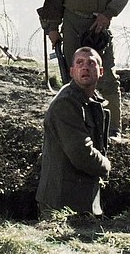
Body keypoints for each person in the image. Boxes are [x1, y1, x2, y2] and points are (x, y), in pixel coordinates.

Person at [38, 0, 130, 139]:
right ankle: (77, 127)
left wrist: (108, 14)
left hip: (99, 25)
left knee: (106, 76)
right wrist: (53, 27)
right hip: (72, 23)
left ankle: (113, 129)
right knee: (74, 76)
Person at [36, 47, 111, 216]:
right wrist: (106, 166)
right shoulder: (66, 103)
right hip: (61, 205)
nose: (85, 67)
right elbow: (81, 153)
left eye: (91, 63)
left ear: (101, 71)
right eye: (79, 63)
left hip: (81, 200)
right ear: (71, 71)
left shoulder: (91, 100)